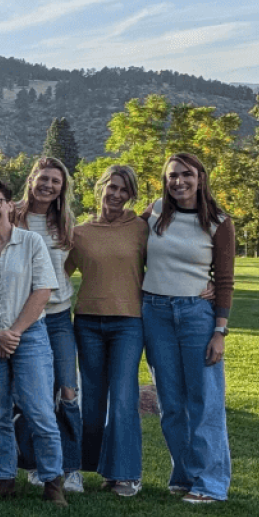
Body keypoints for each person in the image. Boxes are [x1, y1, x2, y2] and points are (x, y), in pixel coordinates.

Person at [0, 180, 66, 505]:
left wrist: (13, 333)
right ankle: (4, 479)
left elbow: (43, 290)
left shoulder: (31, 242)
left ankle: (53, 482)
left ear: (9, 205)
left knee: (39, 410)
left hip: (29, 336)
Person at [142, 152, 235, 504]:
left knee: (204, 401)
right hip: (155, 313)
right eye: (171, 176)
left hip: (197, 315)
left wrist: (219, 331)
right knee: (171, 402)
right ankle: (184, 474)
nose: (178, 181)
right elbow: (120, 238)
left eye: (186, 174)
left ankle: (211, 484)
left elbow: (225, 280)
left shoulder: (218, 222)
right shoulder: (154, 214)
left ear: (201, 177)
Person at [67, 165, 149, 497]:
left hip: (129, 323)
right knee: (92, 400)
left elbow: (173, 260)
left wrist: (209, 284)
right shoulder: (80, 232)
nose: (116, 195)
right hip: (87, 321)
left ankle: (126, 474)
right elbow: (56, 273)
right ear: (100, 188)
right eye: (111, 187)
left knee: (124, 397)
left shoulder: (142, 228)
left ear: (131, 196)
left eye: (124, 190)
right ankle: (88, 468)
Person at [13, 156, 84, 492]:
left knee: (68, 391)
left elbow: (66, 265)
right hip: (25, 317)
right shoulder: (13, 216)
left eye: (56, 181)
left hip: (58, 317)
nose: (48, 185)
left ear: (62, 188)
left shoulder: (65, 222)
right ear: (32, 180)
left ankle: (71, 469)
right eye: (44, 178)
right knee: (33, 393)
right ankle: (34, 463)